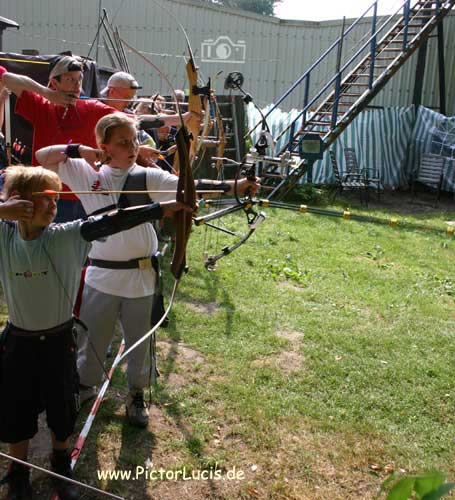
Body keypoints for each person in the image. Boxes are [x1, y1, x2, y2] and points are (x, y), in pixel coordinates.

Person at [36, 113, 259, 429]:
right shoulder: (86, 174)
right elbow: (42, 157)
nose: (132, 147)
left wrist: (236, 186)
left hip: (140, 277)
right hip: (101, 275)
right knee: (93, 338)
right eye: (123, 142)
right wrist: (78, 150)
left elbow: (189, 187)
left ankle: (136, 394)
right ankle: (85, 386)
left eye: (134, 140)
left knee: (139, 341)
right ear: (104, 146)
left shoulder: (147, 177)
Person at [0, 164, 189, 499]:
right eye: (46, 198)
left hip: (58, 341)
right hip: (19, 343)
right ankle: (18, 471)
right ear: (20, 202)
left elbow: (113, 220)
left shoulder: (68, 235)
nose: (54, 205)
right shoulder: (5, 235)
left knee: (62, 408)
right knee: (18, 408)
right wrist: (3, 209)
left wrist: (163, 207)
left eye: (57, 198)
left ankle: (60, 462)